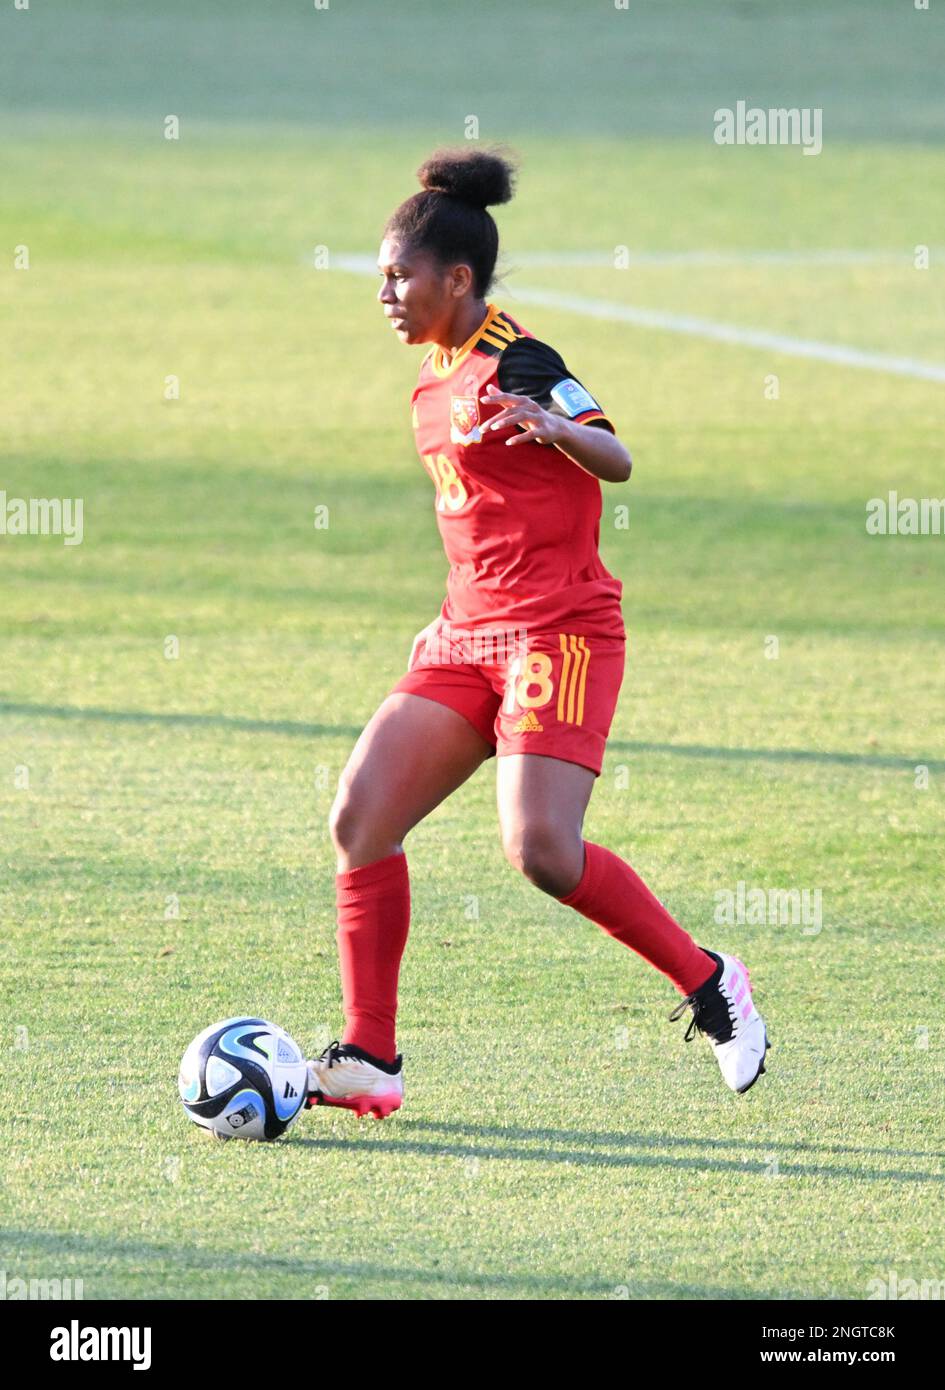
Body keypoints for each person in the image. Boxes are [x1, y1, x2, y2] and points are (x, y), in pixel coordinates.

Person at [306, 148, 768, 1118]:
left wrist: (555, 427)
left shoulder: (518, 358)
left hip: (558, 633)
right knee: (360, 816)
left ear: (457, 279)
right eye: (381, 277)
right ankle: (371, 1058)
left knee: (544, 852)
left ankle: (711, 981)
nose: (384, 293)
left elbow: (619, 454)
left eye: (399, 276)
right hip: (465, 637)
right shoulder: (429, 379)